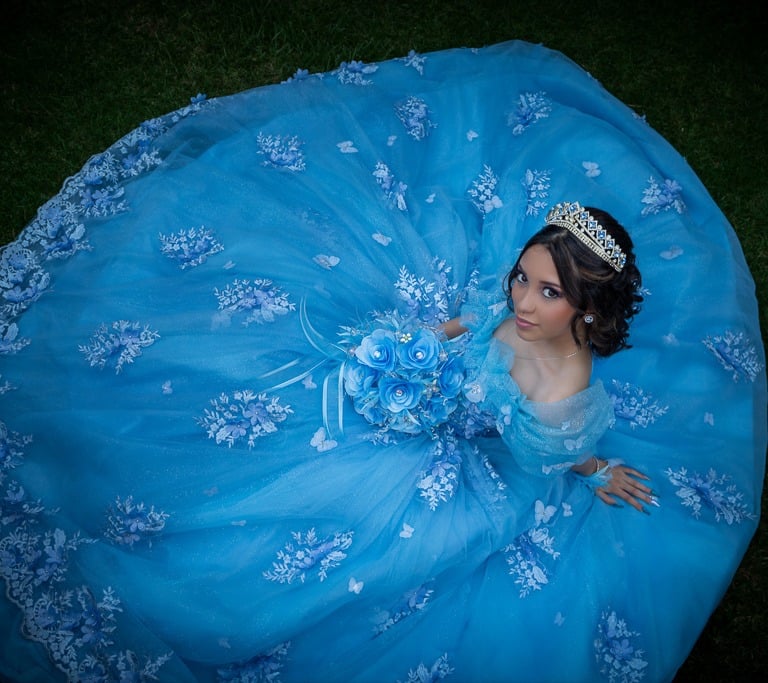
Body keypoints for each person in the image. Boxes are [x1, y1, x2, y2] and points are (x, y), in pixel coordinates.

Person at [0, 41, 764, 683]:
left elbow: (547, 449)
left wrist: (594, 469)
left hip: (456, 448)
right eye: (524, 276)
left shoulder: (564, 383)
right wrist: (423, 340)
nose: (525, 299)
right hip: (425, 379)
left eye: (548, 292)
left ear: (588, 312)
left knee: (309, 542)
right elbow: (480, 317)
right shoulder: (516, 307)